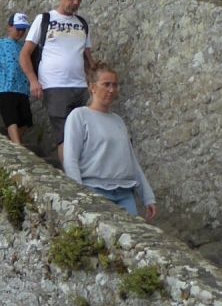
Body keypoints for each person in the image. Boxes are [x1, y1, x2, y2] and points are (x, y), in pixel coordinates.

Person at [62, 67, 157, 220]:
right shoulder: (79, 116)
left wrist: (148, 197)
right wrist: (79, 196)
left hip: (125, 193)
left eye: (114, 85)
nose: (111, 89)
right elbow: (70, 159)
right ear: (92, 87)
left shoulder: (118, 121)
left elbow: (131, 161)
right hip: (94, 191)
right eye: (106, 84)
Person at [19, 0, 93, 162]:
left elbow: (88, 57)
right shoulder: (45, 19)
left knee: (83, 134)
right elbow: (25, 54)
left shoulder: (82, 24)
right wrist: (33, 81)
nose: (76, 2)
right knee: (64, 134)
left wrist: (94, 82)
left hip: (81, 86)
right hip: (54, 85)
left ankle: (81, 174)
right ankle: (71, 177)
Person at [0, 12, 34, 145]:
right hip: (5, 87)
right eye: (18, 29)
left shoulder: (25, 47)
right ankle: (17, 145)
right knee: (11, 118)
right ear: (9, 27)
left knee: (25, 120)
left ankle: (12, 141)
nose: (21, 32)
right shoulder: (0, 43)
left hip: (22, 88)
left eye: (23, 30)